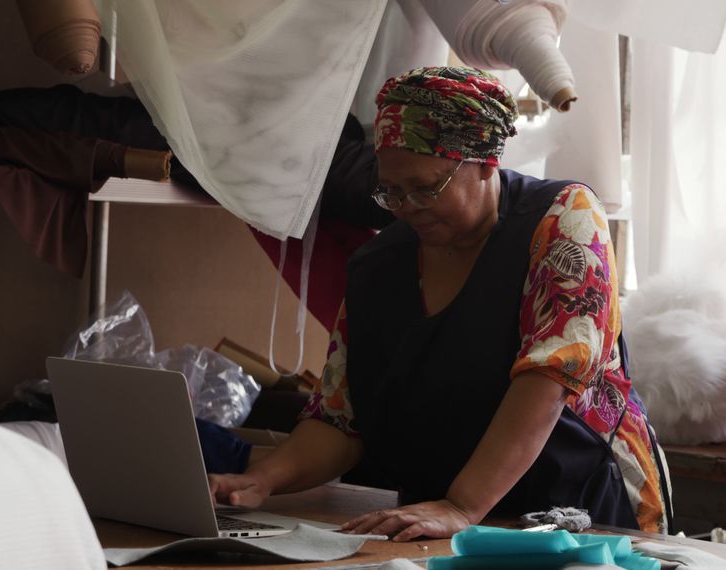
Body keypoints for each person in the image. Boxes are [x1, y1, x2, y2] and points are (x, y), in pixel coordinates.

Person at [210, 66, 670, 541]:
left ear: (485, 163)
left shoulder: (562, 221)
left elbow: (550, 379)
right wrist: (262, 478)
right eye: (391, 191)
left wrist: (462, 504)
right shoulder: (378, 265)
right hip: (444, 521)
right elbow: (340, 416)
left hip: (580, 509)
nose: (407, 207)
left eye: (426, 187)